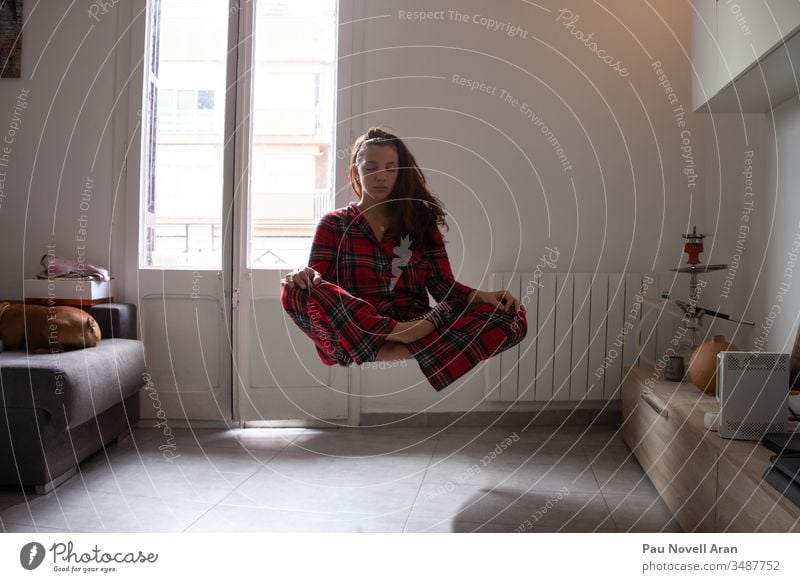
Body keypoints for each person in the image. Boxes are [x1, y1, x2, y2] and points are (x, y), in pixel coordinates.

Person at [280, 127, 527, 391]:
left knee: (513, 318)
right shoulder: (333, 224)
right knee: (293, 290)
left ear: (400, 173)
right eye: (372, 167)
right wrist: (302, 276)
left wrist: (483, 296)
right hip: (360, 326)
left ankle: (385, 346)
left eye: (390, 168)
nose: (381, 176)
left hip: (416, 322)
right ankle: (404, 339)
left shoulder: (419, 222)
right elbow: (319, 287)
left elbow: (444, 287)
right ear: (356, 171)